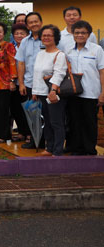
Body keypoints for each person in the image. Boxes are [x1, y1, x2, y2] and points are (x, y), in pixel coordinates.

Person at [65, 20, 104, 155]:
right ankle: (76, 149)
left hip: (91, 92)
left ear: (88, 34)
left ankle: (89, 149)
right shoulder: (68, 50)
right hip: (73, 93)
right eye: (77, 32)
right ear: (73, 34)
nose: (80, 35)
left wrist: (102, 93)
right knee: (74, 122)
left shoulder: (97, 49)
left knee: (90, 122)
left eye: (83, 33)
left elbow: (102, 71)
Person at [32, 25, 68, 156]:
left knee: (56, 122)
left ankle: (58, 150)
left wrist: (53, 90)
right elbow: (36, 74)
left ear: (56, 38)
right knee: (46, 121)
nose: (46, 38)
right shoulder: (40, 54)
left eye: (49, 35)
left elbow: (59, 73)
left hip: (53, 93)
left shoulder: (60, 55)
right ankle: (49, 147)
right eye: (44, 35)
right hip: (41, 93)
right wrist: (34, 92)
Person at [15, 12, 45, 149]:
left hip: (46, 84)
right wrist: (21, 83)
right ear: (27, 25)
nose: (34, 24)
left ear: (41, 22)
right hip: (29, 83)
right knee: (32, 113)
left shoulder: (48, 38)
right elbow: (21, 63)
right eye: (31, 22)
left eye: (36, 21)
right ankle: (35, 140)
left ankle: (47, 141)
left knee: (46, 115)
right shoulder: (25, 42)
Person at [9, 24, 32, 143]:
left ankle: (29, 133)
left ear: (27, 35)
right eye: (16, 34)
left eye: (22, 33)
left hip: (26, 82)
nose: (19, 36)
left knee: (27, 109)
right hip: (14, 83)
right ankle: (22, 132)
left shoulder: (29, 48)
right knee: (16, 109)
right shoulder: (11, 48)